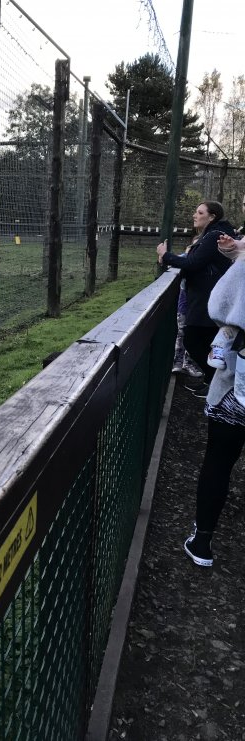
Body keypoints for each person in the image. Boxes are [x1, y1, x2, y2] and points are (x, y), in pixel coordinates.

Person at [184, 229, 245, 565]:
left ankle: (202, 541)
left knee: (219, 460)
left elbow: (220, 306)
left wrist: (239, 260)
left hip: (238, 386)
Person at [159, 201, 239, 383]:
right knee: (206, 340)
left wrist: (166, 256)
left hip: (208, 299)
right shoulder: (211, 235)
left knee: (194, 339)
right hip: (206, 297)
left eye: (200, 212)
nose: (195, 215)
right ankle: (212, 383)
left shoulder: (214, 236)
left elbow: (193, 262)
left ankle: (215, 381)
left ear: (212, 217)